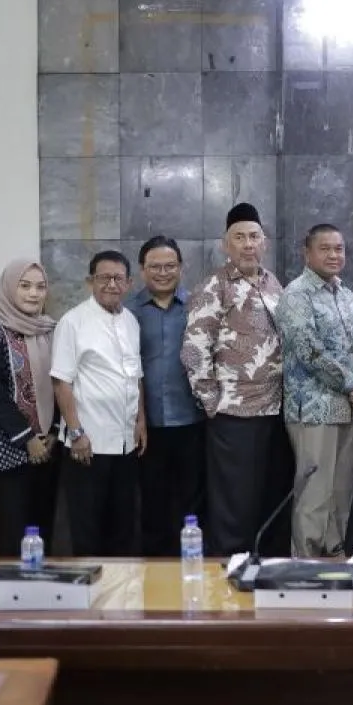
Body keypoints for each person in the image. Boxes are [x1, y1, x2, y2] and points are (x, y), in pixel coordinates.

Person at [183, 203, 294, 558]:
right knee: (234, 504)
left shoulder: (273, 283)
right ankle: (228, 574)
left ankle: (267, 571)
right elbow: (194, 349)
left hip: (275, 412)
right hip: (234, 415)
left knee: (270, 499)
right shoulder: (214, 286)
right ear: (225, 244)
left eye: (254, 237)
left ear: (265, 242)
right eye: (240, 237)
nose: (248, 244)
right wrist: (211, 402)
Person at [276, 224, 353, 557]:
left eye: (339, 248)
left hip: (351, 408)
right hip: (314, 410)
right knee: (315, 495)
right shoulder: (296, 295)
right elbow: (309, 351)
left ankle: (334, 560)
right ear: (307, 254)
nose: (334, 255)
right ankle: (306, 567)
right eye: (325, 248)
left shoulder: (346, 295)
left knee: (340, 492)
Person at [51, 250, 146, 557]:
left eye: (118, 278)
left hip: (125, 444)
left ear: (129, 283)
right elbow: (61, 382)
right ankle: (90, 588)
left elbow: (136, 376)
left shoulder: (131, 321)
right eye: (104, 278)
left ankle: (120, 588)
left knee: (122, 529)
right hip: (88, 445)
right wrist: (76, 432)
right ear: (90, 281)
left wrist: (141, 420)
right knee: (87, 531)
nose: (111, 284)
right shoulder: (72, 322)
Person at [0, 259, 61, 558]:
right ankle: (12, 587)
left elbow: (61, 384)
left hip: (48, 447)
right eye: (24, 286)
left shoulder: (49, 330)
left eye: (40, 286)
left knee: (43, 529)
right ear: (9, 288)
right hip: (9, 449)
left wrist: (53, 432)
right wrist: (27, 439)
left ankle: (42, 585)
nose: (33, 294)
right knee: (14, 531)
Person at [131, 236, 205, 557]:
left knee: (193, 504)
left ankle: (192, 566)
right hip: (147, 427)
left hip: (193, 421)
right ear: (142, 270)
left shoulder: (198, 308)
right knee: (152, 505)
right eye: (155, 267)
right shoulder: (128, 311)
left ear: (181, 268)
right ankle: (155, 571)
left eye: (170, 266)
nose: (163, 273)